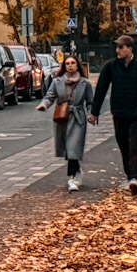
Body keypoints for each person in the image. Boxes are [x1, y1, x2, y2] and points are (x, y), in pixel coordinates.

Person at [89, 35, 137, 194]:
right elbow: (101, 89)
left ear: (129, 49)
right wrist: (95, 112)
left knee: (134, 144)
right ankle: (130, 176)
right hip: (119, 112)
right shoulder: (111, 67)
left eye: (121, 47)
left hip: (136, 113)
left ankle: (135, 178)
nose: (118, 50)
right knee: (124, 145)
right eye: (117, 47)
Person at [37, 55, 94, 191]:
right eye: (67, 63)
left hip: (78, 117)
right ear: (64, 66)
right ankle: (77, 170)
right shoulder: (57, 82)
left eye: (73, 63)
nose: (70, 65)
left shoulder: (84, 83)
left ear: (77, 65)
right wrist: (44, 105)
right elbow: (49, 96)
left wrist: (91, 114)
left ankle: (72, 178)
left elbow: (90, 102)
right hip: (62, 117)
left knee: (74, 146)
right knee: (68, 148)